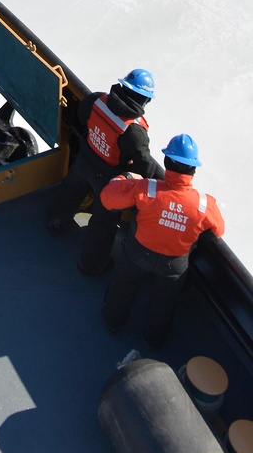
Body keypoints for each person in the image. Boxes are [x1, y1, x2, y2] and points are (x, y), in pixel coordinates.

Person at [100, 133, 224, 346]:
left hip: (138, 253)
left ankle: (112, 321)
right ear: (193, 169)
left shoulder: (147, 188)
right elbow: (218, 230)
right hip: (174, 265)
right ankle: (153, 340)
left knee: (124, 285)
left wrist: (124, 179)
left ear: (166, 162)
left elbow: (107, 199)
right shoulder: (205, 204)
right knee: (164, 303)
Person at [46, 68, 162, 275]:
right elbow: (145, 166)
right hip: (109, 180)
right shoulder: (134, 131)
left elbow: (80, 118)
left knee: (69, 191)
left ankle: (55, 222)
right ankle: (90, 265)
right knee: (103, 223)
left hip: (85, 161)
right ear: (144, 99)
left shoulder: (96, 101)